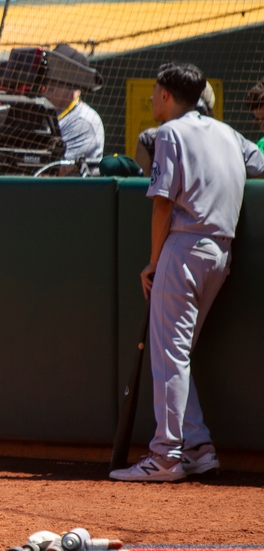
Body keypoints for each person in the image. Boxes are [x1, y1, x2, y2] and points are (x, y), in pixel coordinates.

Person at [110, 62, 264, 481]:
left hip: (184, 248)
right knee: (177, 355)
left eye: (156, 92)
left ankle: (165, 455)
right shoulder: (229, 133)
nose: (152, 99)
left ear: (165, 95)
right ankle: (198, 447)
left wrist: (155, 262)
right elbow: (260, 163)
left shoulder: (170, 133)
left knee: (171, 355)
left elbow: (162, 202)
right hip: (220, 254)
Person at [43, 44, 105, 168]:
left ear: (73, 80)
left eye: (57, 73)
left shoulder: (85, 121)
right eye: (49, 70)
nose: (49, 79)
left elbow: (57, 171)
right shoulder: (45, 110)